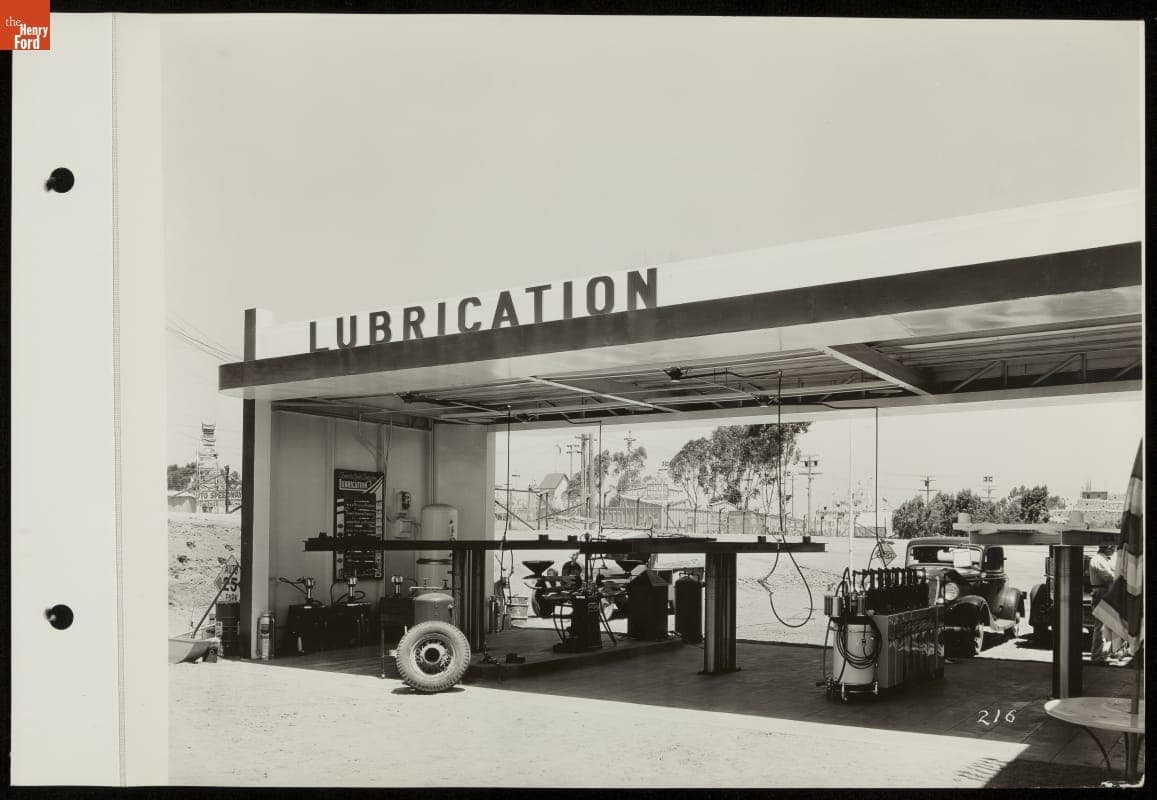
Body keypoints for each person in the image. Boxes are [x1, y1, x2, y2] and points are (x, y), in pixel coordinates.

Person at [1088, 543, 1116, 664]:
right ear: (1106, 547)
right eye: (1111, 548)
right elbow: (1109, 577)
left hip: (1104, 592)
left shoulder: (1104, 559)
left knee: (1106, 625)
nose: (1113, 550)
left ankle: (1103, 655)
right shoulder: (1098, 559)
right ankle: (1097, 656)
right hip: (1101, 592)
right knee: (1101, 626)